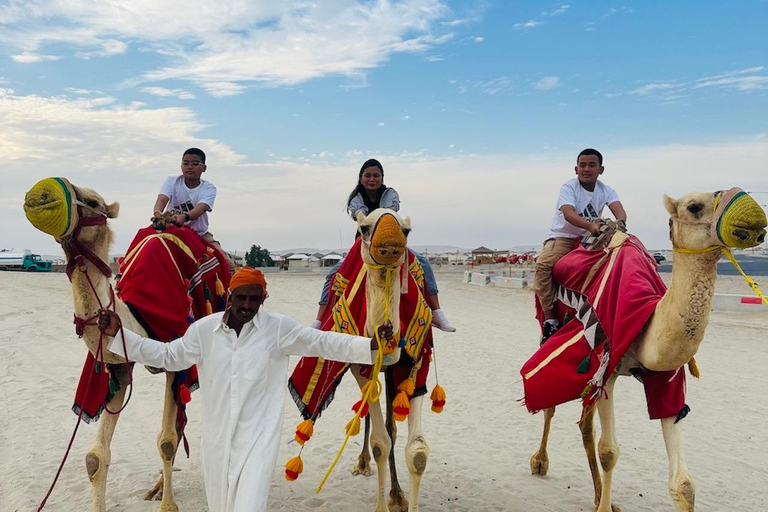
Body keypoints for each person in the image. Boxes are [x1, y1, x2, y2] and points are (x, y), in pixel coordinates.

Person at [98, 267, 393, 512]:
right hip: (217, 440)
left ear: (264, 298)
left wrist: (370, 346)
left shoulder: (278, 328)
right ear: (230, 296)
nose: (247, 305)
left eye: (254, 299)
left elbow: (323, 342)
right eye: (241, 298)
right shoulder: (204, 330)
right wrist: (119, 335)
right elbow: (167, 356)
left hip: (258, 440)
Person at [313, 158, 456, 332]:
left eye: (376, 175)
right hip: (364, 244)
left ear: (382, 177)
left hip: (390, 242)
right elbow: (360, 216)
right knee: (333, 274)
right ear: (361, 177)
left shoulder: (390, 194)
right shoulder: (356, 198)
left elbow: (389, 213)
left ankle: (436, 312)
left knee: (423, 264)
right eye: (367, 175)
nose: (371, 179)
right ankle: (320, 320)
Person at [531, 148, 627, 343]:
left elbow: (620, 211)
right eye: (582, 165)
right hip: (565, 237)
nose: (586, 169)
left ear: (601, 169)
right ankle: (551, 321)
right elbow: (568, 213)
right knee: (543, 266)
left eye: (592, 165)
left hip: (593, 237)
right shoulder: (569, 187)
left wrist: (620, 223)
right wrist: (590, 225)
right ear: (576, 169)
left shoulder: (606, 190)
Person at [153, 147, 236, 272]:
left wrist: (184, 217)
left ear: (204, 168)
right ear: (181, 166)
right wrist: (158, 214)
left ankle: (227, 291)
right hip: (170, 232)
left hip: (200, 235)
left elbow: (200, 209)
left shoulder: (209, 188)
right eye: (186, 163)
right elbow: (161, 200)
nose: (190, 167)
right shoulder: (171, 181)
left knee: (228, 265)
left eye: (195, 164)